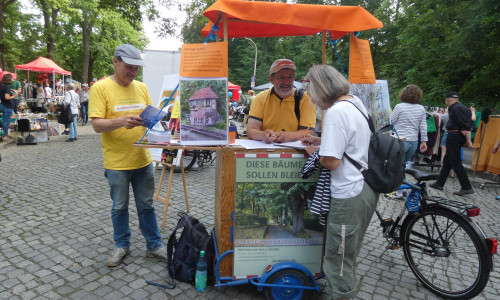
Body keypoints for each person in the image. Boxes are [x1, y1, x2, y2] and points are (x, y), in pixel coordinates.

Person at [301, 65, 379, 300]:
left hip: (348, 194)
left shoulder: (335, 112)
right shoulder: (355, 103)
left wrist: (316, 152)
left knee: (339, 257)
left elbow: (331, 161)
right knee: (349, 252)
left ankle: (343, 295)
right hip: (365, 188)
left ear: (321, 88)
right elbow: (351, 141)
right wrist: (322, 140)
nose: (313, 101)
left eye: (312, 94)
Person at [89, 44, 167, 267]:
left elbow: (149, 118)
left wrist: (157, 121)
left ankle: (154, 246)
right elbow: (96, 125)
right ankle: (122, 245)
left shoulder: (141, 87)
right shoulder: (101, 88)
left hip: (142, 160)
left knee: (147, 206)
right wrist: (121, 121)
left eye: (136, 68)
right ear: (116, 61)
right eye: (129, 67)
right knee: (119, 207)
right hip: (116, 162)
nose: (133, 72)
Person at [247, 58, 315, 143]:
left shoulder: (305, 98)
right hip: (266, 149)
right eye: (281, 77)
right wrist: (263, 135)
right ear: (271, 80)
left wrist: (287, 136)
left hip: (295, 153)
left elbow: (308, 132)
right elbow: (251, 130)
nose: (286, 82)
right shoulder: (261, 98)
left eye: (290, 77)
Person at [429, 91, 474, 196]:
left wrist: (464, 128)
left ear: (447, 99)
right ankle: (440, 183)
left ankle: (466, 186)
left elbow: (464, 122)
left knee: (455, 161)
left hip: (454, 135)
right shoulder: (465, 108)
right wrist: (466, 131)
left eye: (446, 101)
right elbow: (471, 122)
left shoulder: (455, 108)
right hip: (457, 135)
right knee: (448, 161)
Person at [390, 84, 428, 164]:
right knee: (402, 166)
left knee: (396, 166)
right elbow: (423, 126)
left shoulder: (399, 107)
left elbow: (391, 122)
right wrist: (424, 141)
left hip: (401, 140)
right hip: (414, 142)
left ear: (403, 94)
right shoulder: (421, 108)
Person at [0, 74, 20, 140]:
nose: (13, 80)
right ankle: (5, 135)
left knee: (4, 120)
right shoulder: (6, 88)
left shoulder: (1, 86)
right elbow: (7, 97)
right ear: (8, 80)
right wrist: (14, 96)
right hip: (8, 106)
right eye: (12, 79)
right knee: (7, 122)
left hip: (3, 105)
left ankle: (4, 134)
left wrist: (11, 90)